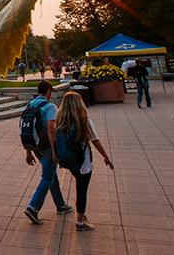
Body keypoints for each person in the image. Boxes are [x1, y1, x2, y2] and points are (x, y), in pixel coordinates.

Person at [51, 92, 113, 231]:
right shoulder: (84, 120)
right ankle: (80, 220)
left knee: (79, 185)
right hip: (82, 161)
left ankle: (81, 215)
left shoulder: (61, 119)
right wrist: (106, 157)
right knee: (82, 189)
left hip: (68, 160)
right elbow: (95, 140)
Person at [22, 81, 72, 224]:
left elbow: (25, 129)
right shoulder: (50, 106)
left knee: (51, 175)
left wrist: (28, 152)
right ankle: (33, 207)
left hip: (36, 147)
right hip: (47, 148)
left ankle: (61, 205)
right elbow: (51, 129)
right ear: (48, 91)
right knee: (47, 177)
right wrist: (55, 151)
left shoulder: (30, 105)